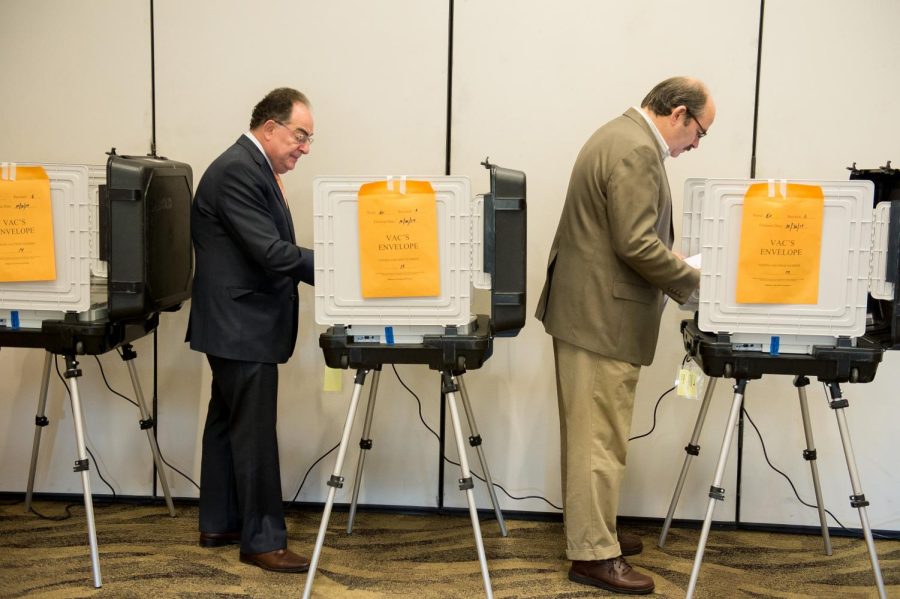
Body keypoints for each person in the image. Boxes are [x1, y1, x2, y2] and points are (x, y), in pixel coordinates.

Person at [535, 76, 715, 594]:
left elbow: (626, 238)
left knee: (593, 436)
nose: (697, 145)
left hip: (589, 312)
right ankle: (593, 555)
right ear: (678, 113)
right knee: (599, 442)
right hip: (599, 319)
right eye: (699, 132)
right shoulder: (636, 148)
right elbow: (636, 243)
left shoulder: (619, 135)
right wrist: (696, 284)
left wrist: (670, 260)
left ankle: (594, 532)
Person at [186, 87, 316, 573]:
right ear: (270, 128)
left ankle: (219, 521)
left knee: (226, 425)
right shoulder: (240, 169)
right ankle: (263, 541)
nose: (304, 147)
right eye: (299, 136)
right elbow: (270, 252)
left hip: (237, 323)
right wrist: (343, 269)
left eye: (308, 139)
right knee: (255, 434)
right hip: (241, 325)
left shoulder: (251, 165)